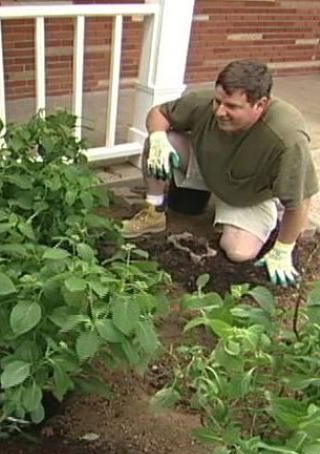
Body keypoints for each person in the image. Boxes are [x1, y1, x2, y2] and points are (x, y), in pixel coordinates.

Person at [122, 60, 318, 286]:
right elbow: (159, 113)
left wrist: (283, 249)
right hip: (208, 166)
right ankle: (153, 212)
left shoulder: (286, 136)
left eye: (232, 107)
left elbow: (301, 200)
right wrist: (157, 137)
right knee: (163, 140)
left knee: (238, 251)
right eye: (218, 101)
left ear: (260, 104)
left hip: (246, 192)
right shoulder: (206, 104)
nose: (220, 112)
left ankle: (272, 217)